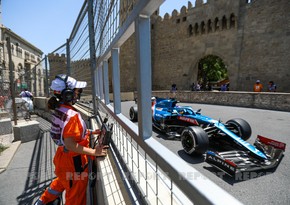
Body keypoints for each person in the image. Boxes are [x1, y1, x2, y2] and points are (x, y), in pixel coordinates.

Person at [35, 74, 108, 205]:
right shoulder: (72, 116)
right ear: (68, 94)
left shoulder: (60, 110)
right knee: (75, 197)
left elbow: (70, 135)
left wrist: (91, 132)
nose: (79, 93)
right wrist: (95, 153)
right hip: (74, 163)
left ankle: (42, 201)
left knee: (62, 181)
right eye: (77, 91)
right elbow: (70, 144)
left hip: (62, 158)